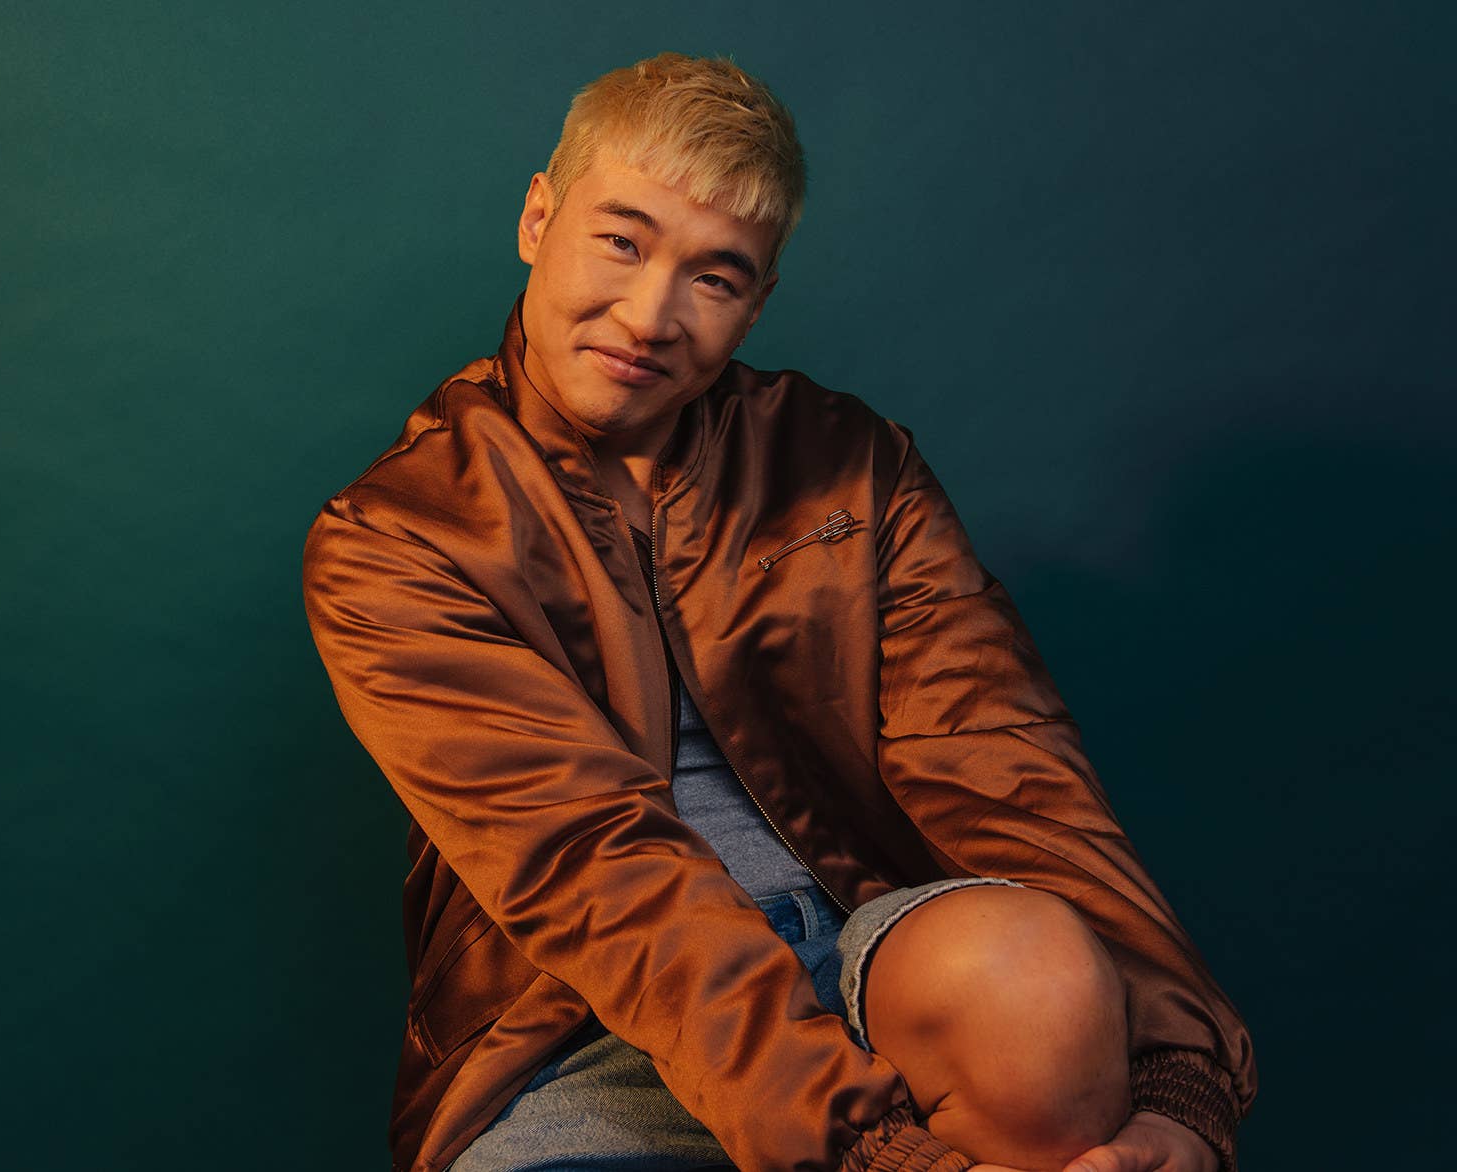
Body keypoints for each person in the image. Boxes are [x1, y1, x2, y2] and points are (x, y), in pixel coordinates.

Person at [302, 52, 1255, 1172]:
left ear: (757, 300)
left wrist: (1181, 1085)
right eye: (621, 238)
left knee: (1030, 967)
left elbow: (1010, 770)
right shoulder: (396, 536)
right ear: (537, 217)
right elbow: (598, 871)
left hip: (878, 962)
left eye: (714, 275)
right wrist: (873, 1157)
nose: (651, 313)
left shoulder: (848, 465)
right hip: (592, 1024)